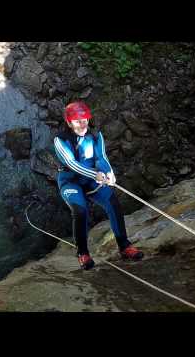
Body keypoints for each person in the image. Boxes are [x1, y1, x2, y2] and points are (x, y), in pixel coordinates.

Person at [53, 101, 144, 270]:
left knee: (113, 202)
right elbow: (71, 164)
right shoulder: (61, 140)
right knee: (80, 211)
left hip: (91, 180)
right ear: (69, 122)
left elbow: (101, 157)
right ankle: (83, 253)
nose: (83, 124)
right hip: (70, 181)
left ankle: (124, 246)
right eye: (78, 121)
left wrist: (109, 173)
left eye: (85, 119)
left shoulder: (95, 136)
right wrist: (95, 174)